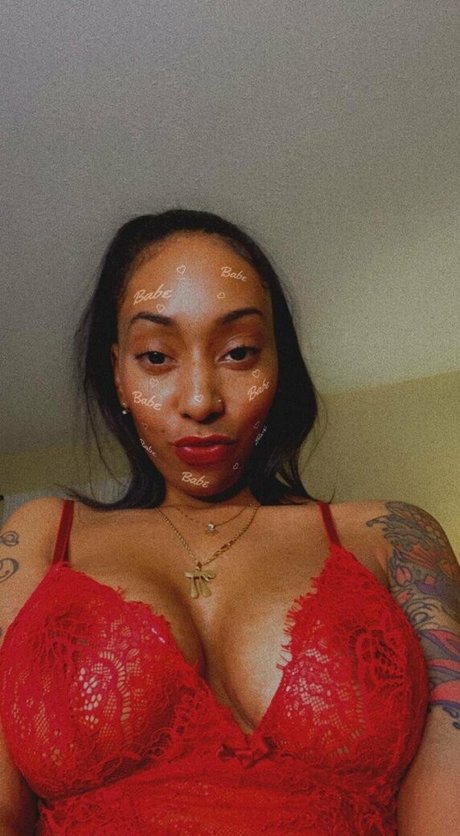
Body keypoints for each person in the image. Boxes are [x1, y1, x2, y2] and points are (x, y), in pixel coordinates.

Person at [0, 209, 458, 835]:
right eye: (156, 356)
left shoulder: (392, 537)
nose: (200, 401)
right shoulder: (39, 538)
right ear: (118, 375)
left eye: (240, 352)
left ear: (278, 365)